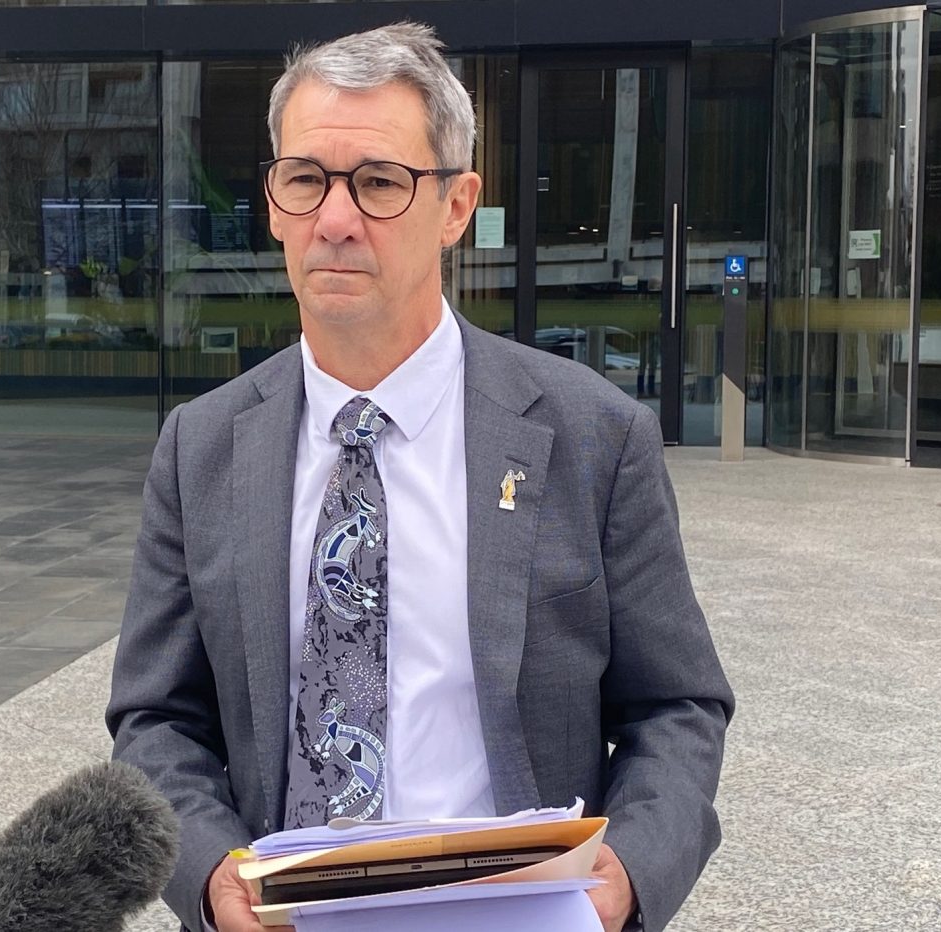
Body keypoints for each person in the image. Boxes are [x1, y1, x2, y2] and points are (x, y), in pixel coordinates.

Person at [107, 22, 734, 932]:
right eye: (306, 180)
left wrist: (626, 875)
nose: (335, 218)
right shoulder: (200, 447)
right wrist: (208, 877)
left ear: (456, 205)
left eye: (378, 183)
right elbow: (156, 719)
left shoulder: (595, 436)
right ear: (277, 202)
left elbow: (677, 703)